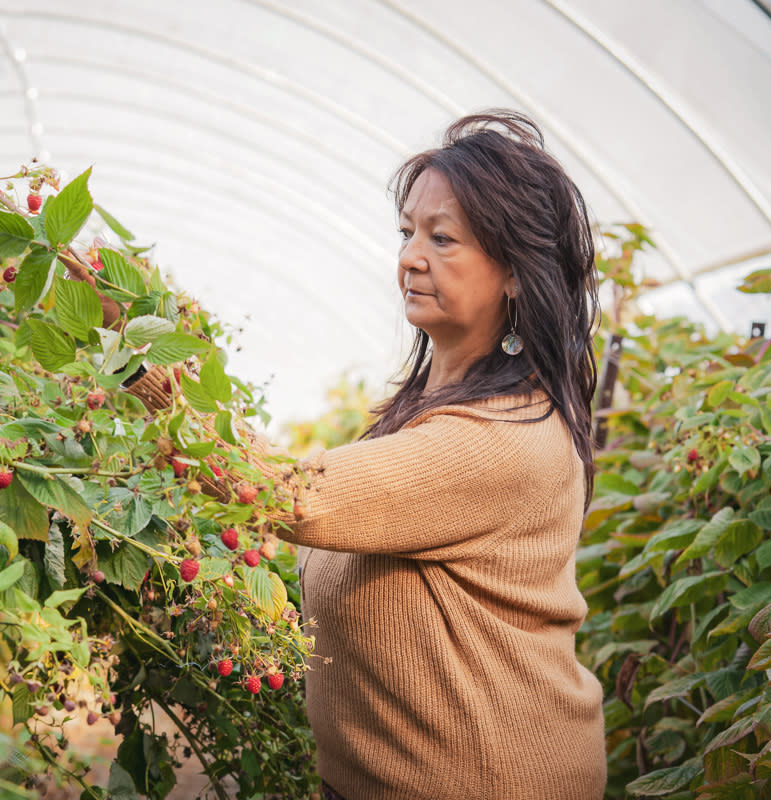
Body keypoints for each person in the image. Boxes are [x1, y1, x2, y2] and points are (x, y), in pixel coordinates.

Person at [119, 109, 607, 799]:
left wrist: (143, 363)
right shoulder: (430, 408)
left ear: (516, 273)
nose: (410, 257)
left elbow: (292, 495)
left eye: (443, 239)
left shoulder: (501, 440)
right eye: (408, 233)